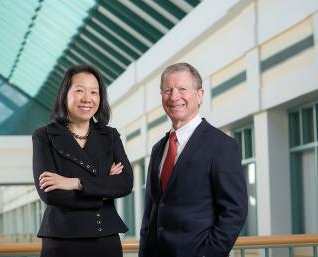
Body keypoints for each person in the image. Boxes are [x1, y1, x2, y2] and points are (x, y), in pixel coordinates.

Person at [139, 62, 248, 257]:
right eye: (167, 90)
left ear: (199, 95)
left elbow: (234, 210)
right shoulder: (158, 149)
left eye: (182, 89)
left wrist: (209, 253)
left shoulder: (221, 145)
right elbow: (151, 211)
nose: (174, 97)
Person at [32, 64, 133, 257]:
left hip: (105, 238)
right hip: (62, 241)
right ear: (65, 94)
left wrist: (75, 183)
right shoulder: (44, 136)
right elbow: (51, 195)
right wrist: (103, 190)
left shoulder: (110, 135)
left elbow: (125, 184)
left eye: (94, 92)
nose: (88, 98)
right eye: (79, 90)